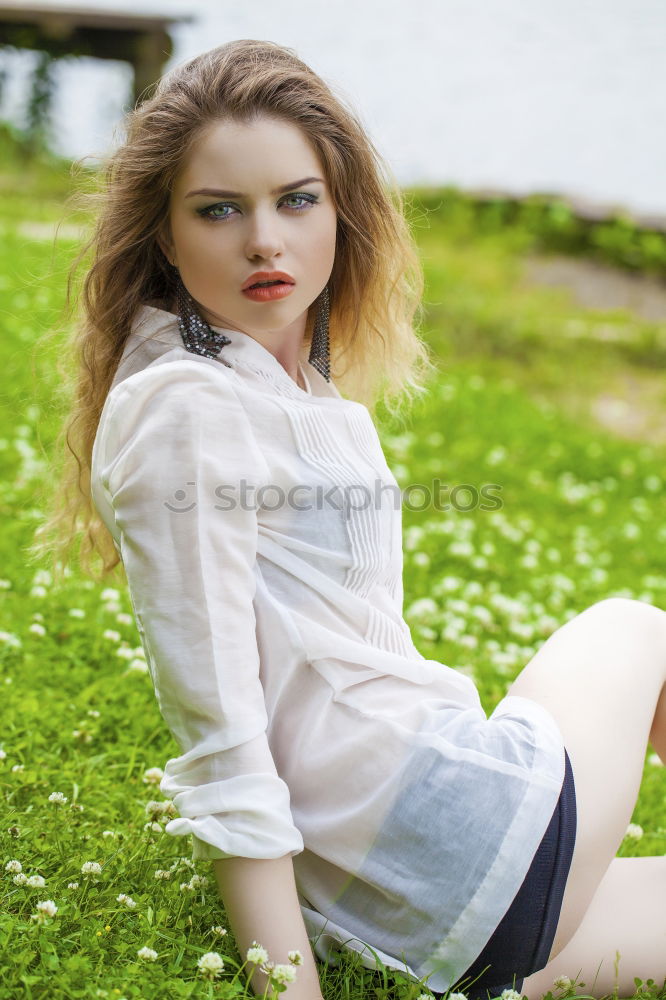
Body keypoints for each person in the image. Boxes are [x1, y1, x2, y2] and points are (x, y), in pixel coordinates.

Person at [33, 38, 666, 1000]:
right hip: (443, 839)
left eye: (296, 200)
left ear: (341, 211)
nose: (264, 242)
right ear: (165, 235)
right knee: (632, 627)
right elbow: (221, 736)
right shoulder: (185, 409)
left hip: (429, 911)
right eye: (218, 210)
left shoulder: (277, 380)